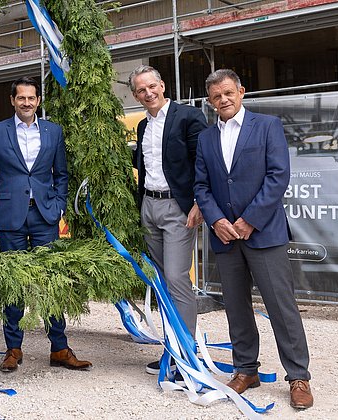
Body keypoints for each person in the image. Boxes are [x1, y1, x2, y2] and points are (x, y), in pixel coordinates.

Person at [193, 68, 313, 409]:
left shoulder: (268, 126)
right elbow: (201, 185)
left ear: (241, 92)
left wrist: (249, 221)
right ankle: (247, 369)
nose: (223, 100)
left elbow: (278, 176)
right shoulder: (205, 138)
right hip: (225, 237)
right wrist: (216, 220)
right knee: (236, 307)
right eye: (217, 96)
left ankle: (298, 377)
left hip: (263, 233)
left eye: (228, 93)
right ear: (210, 101)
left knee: (281, 307)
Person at [0, 76, 91, 373]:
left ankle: (60, 348)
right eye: (21, 98)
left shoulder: (53, 132)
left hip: (44, 216)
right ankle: (13, 349)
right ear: (13, 100)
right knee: (13, 283)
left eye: (31, 98)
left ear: (38, 101)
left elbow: (61, 173)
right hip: (11, 217)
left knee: (51, 282)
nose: (26, 103)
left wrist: (59, 203)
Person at [128, 65, 207, 375]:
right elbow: (145, 163)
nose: (148, 93)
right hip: (149, 205)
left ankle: (186, 352)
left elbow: (203, 160)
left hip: (178, 208)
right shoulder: (143, 127)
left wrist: (200, 202)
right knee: (162, 282)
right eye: (141, 90)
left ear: (162, 85)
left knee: (176, 278)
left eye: (152, 86)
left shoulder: (187, 117)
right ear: (135, 95)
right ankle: (172, 347)